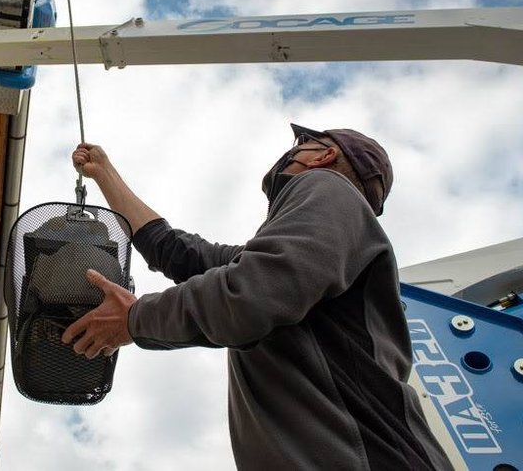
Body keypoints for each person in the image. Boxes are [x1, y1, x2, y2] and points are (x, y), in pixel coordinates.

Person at [62, 124, 454, 470]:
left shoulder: (328, 188)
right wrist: (104, 174)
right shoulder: (299, 256)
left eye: (304, 142)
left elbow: (247, 297)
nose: (292, 150)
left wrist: (135, 319)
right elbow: (177, 251)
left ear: (325, 155)